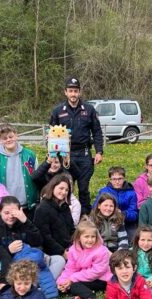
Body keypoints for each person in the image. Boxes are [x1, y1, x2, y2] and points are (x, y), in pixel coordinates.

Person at [49, 77, 104, 216]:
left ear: (79, 92)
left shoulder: (89, 110)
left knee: (84, 188)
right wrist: (52, 154)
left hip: (85, 155)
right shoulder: (58, 111)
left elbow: (97, 131)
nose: (73, 94)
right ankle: (67, 217)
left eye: (76, 91)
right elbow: (52, 134)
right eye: (70, 91)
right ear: (65, 92)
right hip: (66, 155)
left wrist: (99, 152)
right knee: (66, 187)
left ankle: (85, 218)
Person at [0, 196, 59, 299]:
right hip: (10, 266)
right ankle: (32, 286)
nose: (10, 216)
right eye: (6, 213)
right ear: (0, 212)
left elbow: (38, 241)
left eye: (14, 213)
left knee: (59, 260)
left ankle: (33, 285)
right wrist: (8, 250)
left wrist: (26, 221)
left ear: (20, 211)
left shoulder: (23, 222)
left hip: (32, 262)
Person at [56, 220, 111, 299]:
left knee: (74, 285)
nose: (90, 240)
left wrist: (72, 279)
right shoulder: (73, 249)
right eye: (86, 236)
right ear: (78, 237)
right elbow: (70, 268)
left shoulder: (101, 251)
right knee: (64, 288)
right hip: (83, 278)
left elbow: (97, 272)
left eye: (93, 237)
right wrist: (62, 282)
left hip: (101, 279)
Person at [0, 124, 39, 215]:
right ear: (0, 140)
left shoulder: (29, 155)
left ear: (16, 135)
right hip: (5, 207)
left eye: (10, 136)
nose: (8, 140)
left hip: (28, 205)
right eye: (4, 138)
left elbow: (38, 177)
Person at [34, 175, 74, 276]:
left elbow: (72, 229)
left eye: (66, 190)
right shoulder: (42, 208)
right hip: (53, 251)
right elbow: (45, 237)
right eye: (61, 188)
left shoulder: (65, 207)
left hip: (68, 247)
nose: (64, 192)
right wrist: (62, 252)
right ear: (53, 187)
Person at [92, 166, 138, 239]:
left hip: (125, 222)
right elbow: (95, 208)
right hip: (105, 221)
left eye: (120, 179)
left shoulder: (131, 193)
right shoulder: (104, 191)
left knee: (133, 238)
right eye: (114, 179)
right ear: (110, 180)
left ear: (124, 178)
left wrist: (122, 214)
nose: (117, 182)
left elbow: (134, 214)